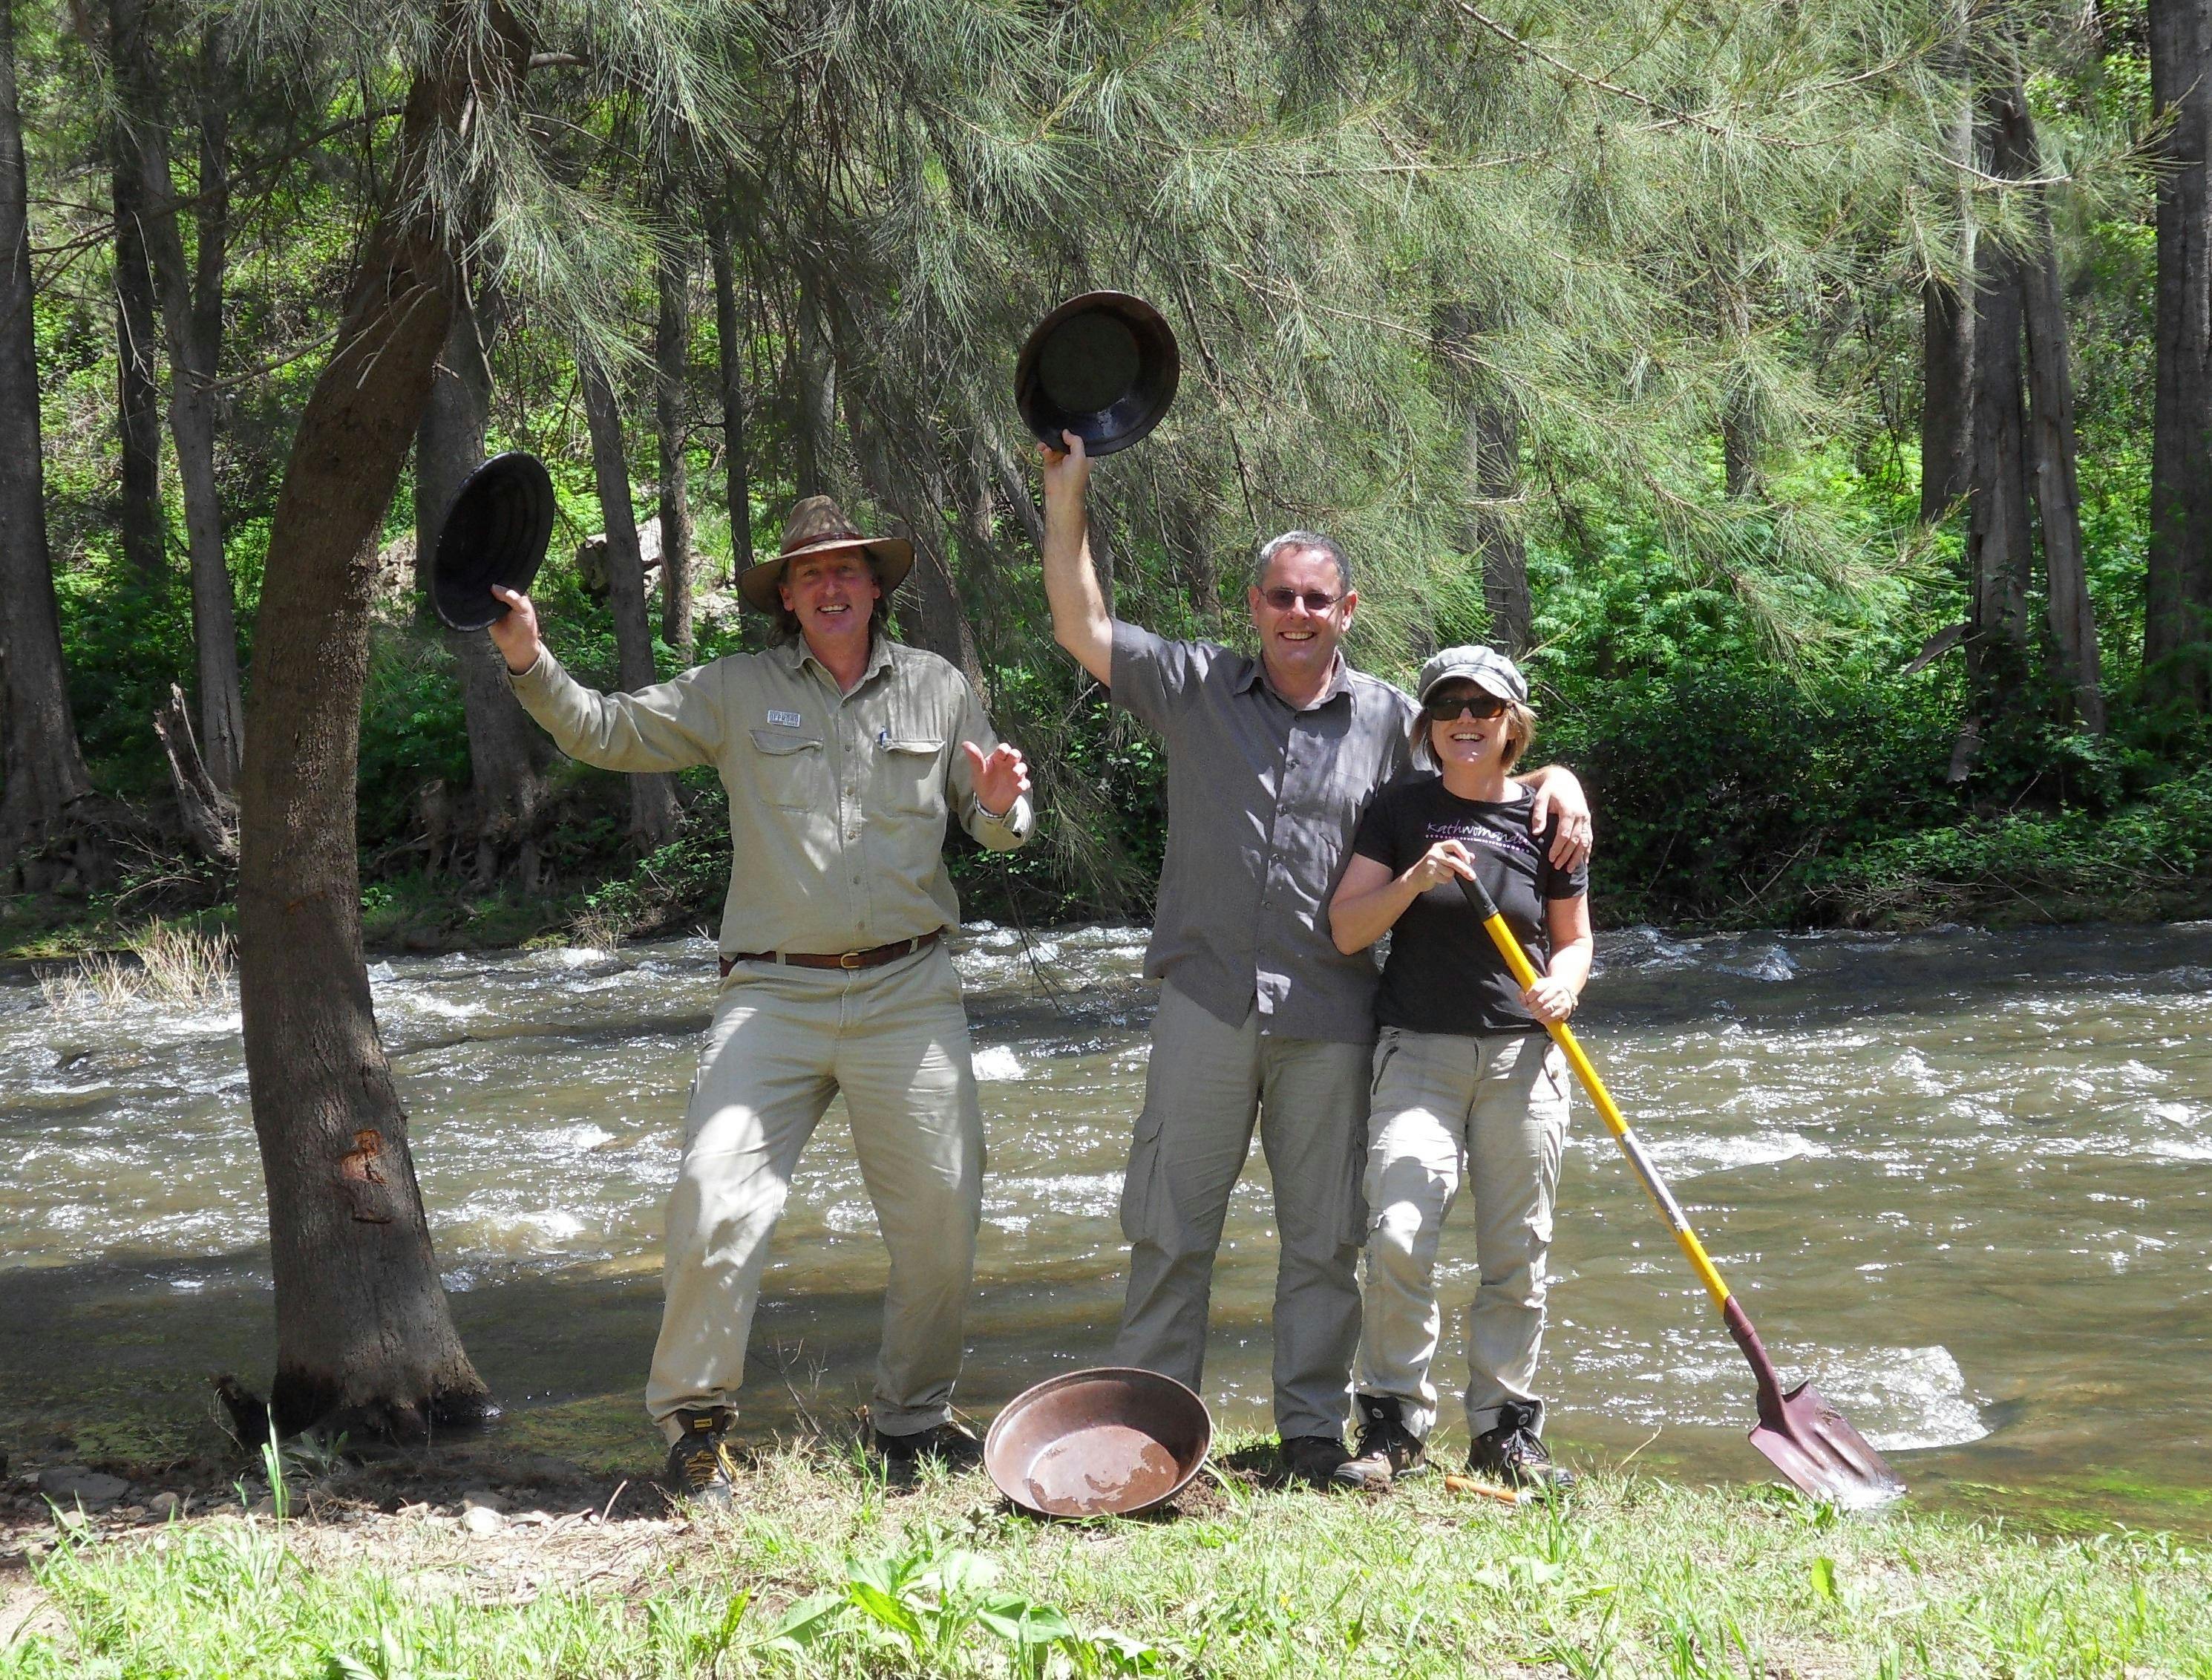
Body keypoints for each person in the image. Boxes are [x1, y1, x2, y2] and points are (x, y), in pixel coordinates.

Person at [1038, 431, 1591, 1490]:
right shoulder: (1194, 685)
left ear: (1348, 610)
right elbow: (1081, 623)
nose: (1298, 612)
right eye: (1281, 596)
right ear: (1255, 606)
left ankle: (1309, 1431)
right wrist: (1067, 495)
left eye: (1317, 599)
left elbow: (1484, 760)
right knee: (1170, 1228)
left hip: (1333, 1012)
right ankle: (1152, 1431)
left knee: (1326, 1238)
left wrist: (1560, 780)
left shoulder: (1391, 719)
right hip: (1204, 999)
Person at [485, 495, 1033, 1503]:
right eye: (809, 573)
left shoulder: (938, 686)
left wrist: (1003, 805)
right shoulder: (735, 689)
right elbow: (606, 729)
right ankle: (694, 1428)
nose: (830, 585)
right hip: (773, 992)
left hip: (910, 990)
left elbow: (995, 816)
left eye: (848, 569)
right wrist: (529, 660)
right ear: (785, 595)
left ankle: (911, 1419)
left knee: (943, 1221)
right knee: (712, 1197)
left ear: (875, 585)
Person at [1327, 644, 1592, 1490]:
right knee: (1398, 1232)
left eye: (1484, 706)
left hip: (1524, 1059)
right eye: (1448, 707)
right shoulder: (1401, 807)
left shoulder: (1551, 819)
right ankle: (1393, 1422)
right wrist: (1412, 879)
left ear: (1513, 723)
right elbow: (1347, 929)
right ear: (1428, 725)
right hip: (1418, 1055)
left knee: (1517, 1252)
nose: (1466, 720)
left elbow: (1575, 938)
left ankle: (1504, 1429)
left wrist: (1564, 983)